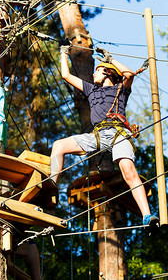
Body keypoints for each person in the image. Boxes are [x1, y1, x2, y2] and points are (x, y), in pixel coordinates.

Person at [49, 45, 159, 229]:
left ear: (108, 73)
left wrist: (110, 58)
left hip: (118, 135)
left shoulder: (120, 90)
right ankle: (51, 185)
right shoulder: (91, 90)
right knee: (59, 146)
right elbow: (66, 76)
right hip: (98, 135)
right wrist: (63, 53)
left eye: (97, 71)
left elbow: (129, 75)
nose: (93, 75)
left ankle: (147, 216)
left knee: (128, 172)